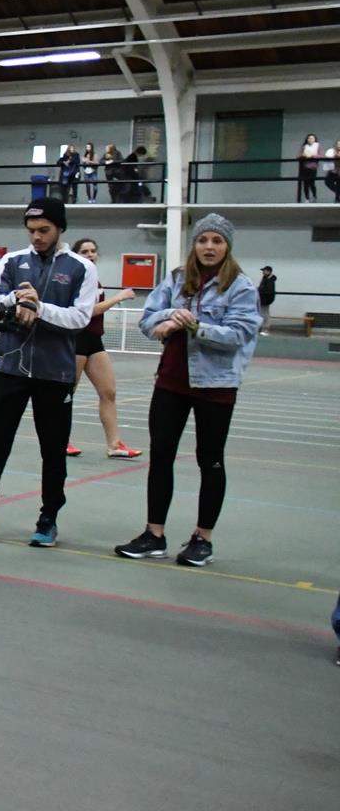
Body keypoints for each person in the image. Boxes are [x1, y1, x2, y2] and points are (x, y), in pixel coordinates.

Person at [113, 215, 259, 568]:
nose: (209, 247)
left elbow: (239, 335)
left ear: (227, 246)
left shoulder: (241, 287)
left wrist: (196, 325)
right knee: (160, 456)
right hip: (171, 382)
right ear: (194, 244)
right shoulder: (177, 279)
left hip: (215, 385)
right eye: (202, 240)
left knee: (210, 460)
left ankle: (202, 538)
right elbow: (147, 320)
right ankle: (154, 534)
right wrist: (166, 319)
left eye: (217, 241)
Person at [0, 198, 97, 547]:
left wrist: (41, 307)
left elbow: (80, 317)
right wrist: (19, 303)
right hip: (9, 368)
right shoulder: (13, 261)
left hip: (55, 373)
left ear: (59, 228)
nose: (36, 237)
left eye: (44, 231)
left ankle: (48, 519)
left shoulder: (81, 268)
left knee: (53, 450)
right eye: (31, 231)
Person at [63, 238, 140, 460]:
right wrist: (119, 297)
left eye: (93, 251)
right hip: (76, 340)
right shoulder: (76, 279)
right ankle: (60, 440)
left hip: (94, 341)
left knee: (109, 392)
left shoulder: (95, 279)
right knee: (67, 394)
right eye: (85, 251)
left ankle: (114, 444)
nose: (90, 254)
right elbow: (88, 311)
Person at [256, 265, 276, 334]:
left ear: (269, 271)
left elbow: (268, 291)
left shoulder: (270, 281)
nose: (263, 272)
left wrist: (260, 290)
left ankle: (265, 328)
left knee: (264, 314)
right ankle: (262, 327)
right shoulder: (265, 278)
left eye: (264, 271)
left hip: (266, 300)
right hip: (263, 299)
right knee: (262, 313)